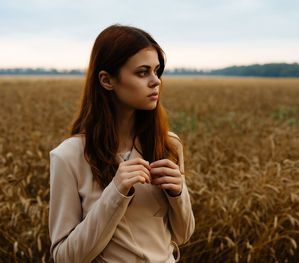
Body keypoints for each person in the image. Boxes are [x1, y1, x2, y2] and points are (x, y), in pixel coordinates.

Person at [49, 24, 195, 263]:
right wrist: (115, 192)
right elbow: (65, 257)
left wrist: (178, 193)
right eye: (142, 72)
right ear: (107, 80)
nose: (155, 81)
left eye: (157, 71)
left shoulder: (168, 145)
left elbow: (182, 235)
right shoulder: (68, 156)